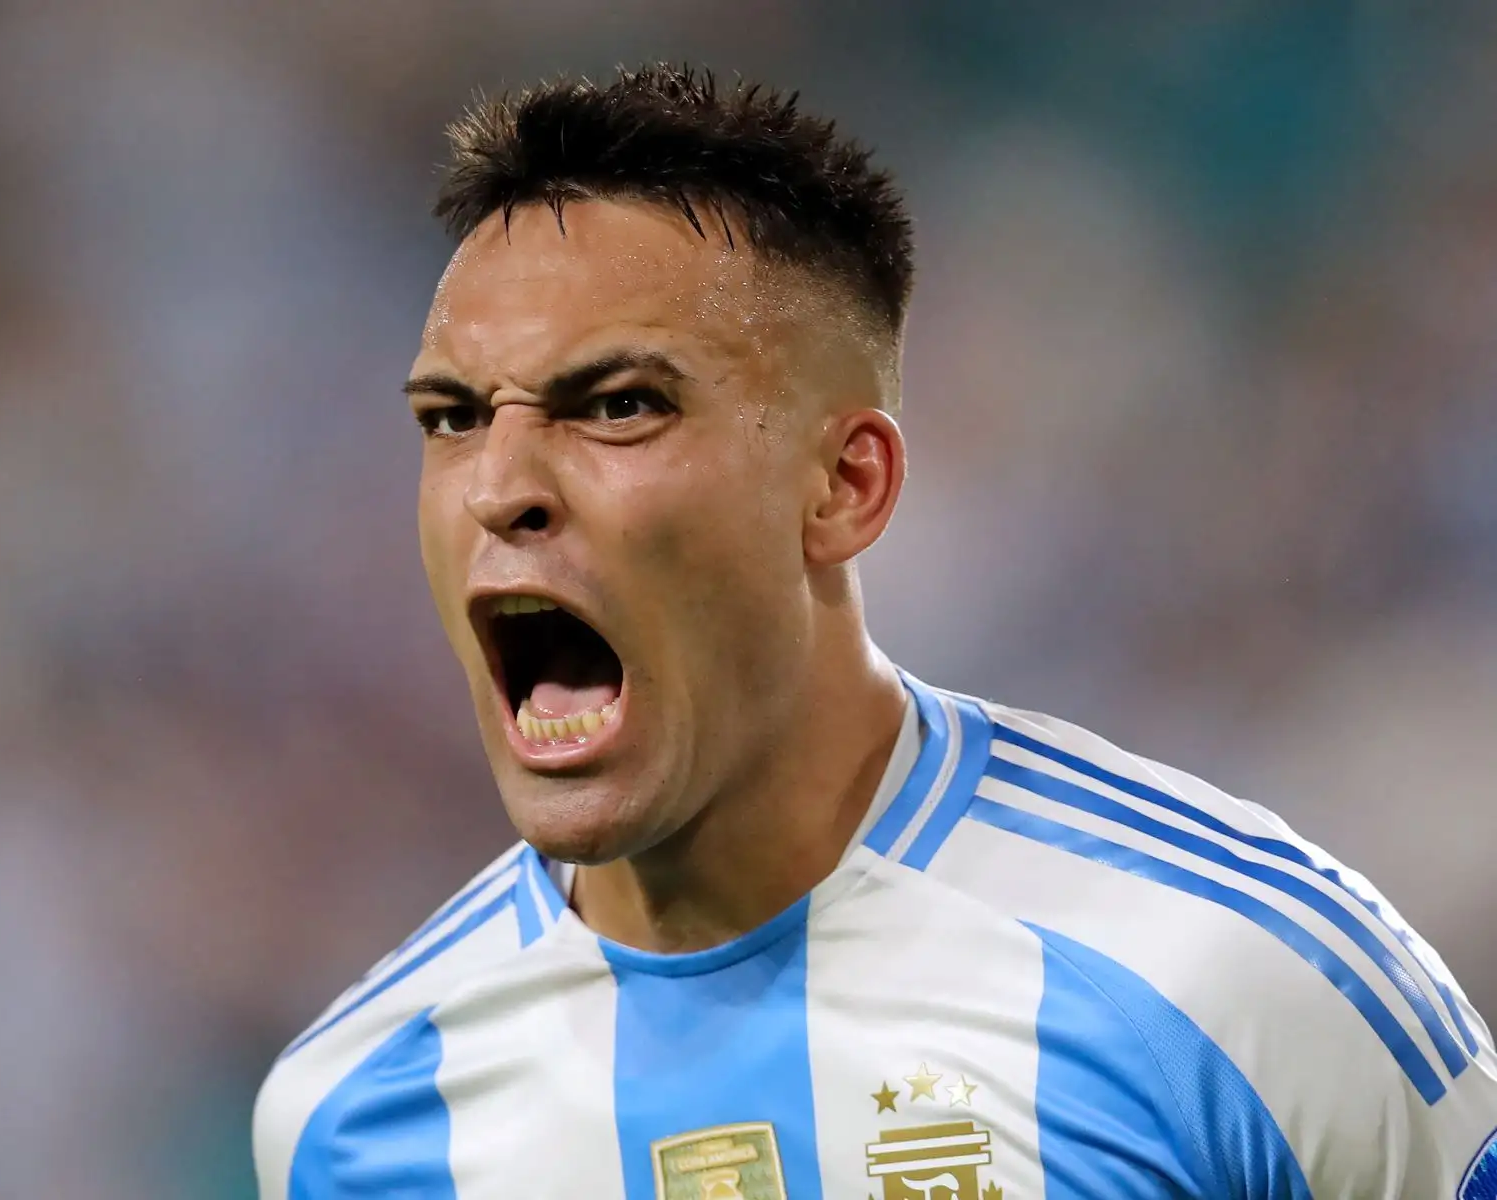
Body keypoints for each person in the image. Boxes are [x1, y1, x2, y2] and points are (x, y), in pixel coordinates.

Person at [253, 64, 1497, 1199]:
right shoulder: (357, 1121)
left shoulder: (1246, 989)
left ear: (847, 486)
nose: (497, 484)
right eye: (452, 417)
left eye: (619, 406)